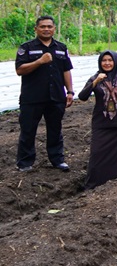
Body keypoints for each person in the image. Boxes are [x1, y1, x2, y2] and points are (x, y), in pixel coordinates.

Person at [14, 15, 75, 172]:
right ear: (36, 29)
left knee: (55, 129)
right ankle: (25, 162)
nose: (46, 29)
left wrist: (69, 91)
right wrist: (39, 61)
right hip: (32, 98)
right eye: (43, 27)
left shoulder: (61, 48)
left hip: (55, 97)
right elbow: (20, 70)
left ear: (54, 29)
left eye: (49, 26)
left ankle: (57, 160)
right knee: (28, 130)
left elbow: (66, 70)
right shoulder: (26, 47)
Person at [78, 51, 117, 189]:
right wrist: (95, 82)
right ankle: (93, 183)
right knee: (97, 154)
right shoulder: (96, 77)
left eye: (110, 60)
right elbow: (82, 96)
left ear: (116, 62)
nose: (107, 63)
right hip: (102, 124)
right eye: (104, 60)